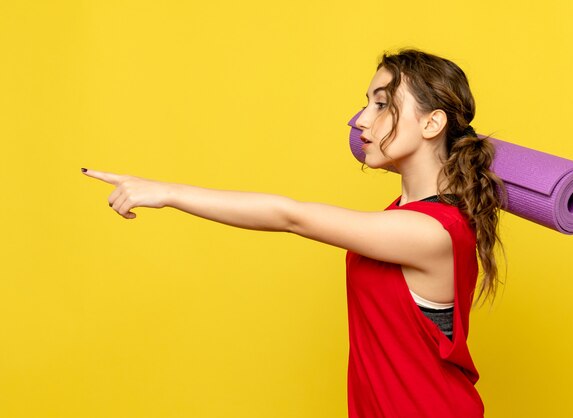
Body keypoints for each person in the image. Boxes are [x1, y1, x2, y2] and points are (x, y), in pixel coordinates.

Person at [82, 48, 506, 418]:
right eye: (366, 104)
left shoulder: (431, 231)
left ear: (432, 124)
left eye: (382, 105)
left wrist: (167, 191)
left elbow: (290, 216)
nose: (360, 121)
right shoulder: (403, 215)